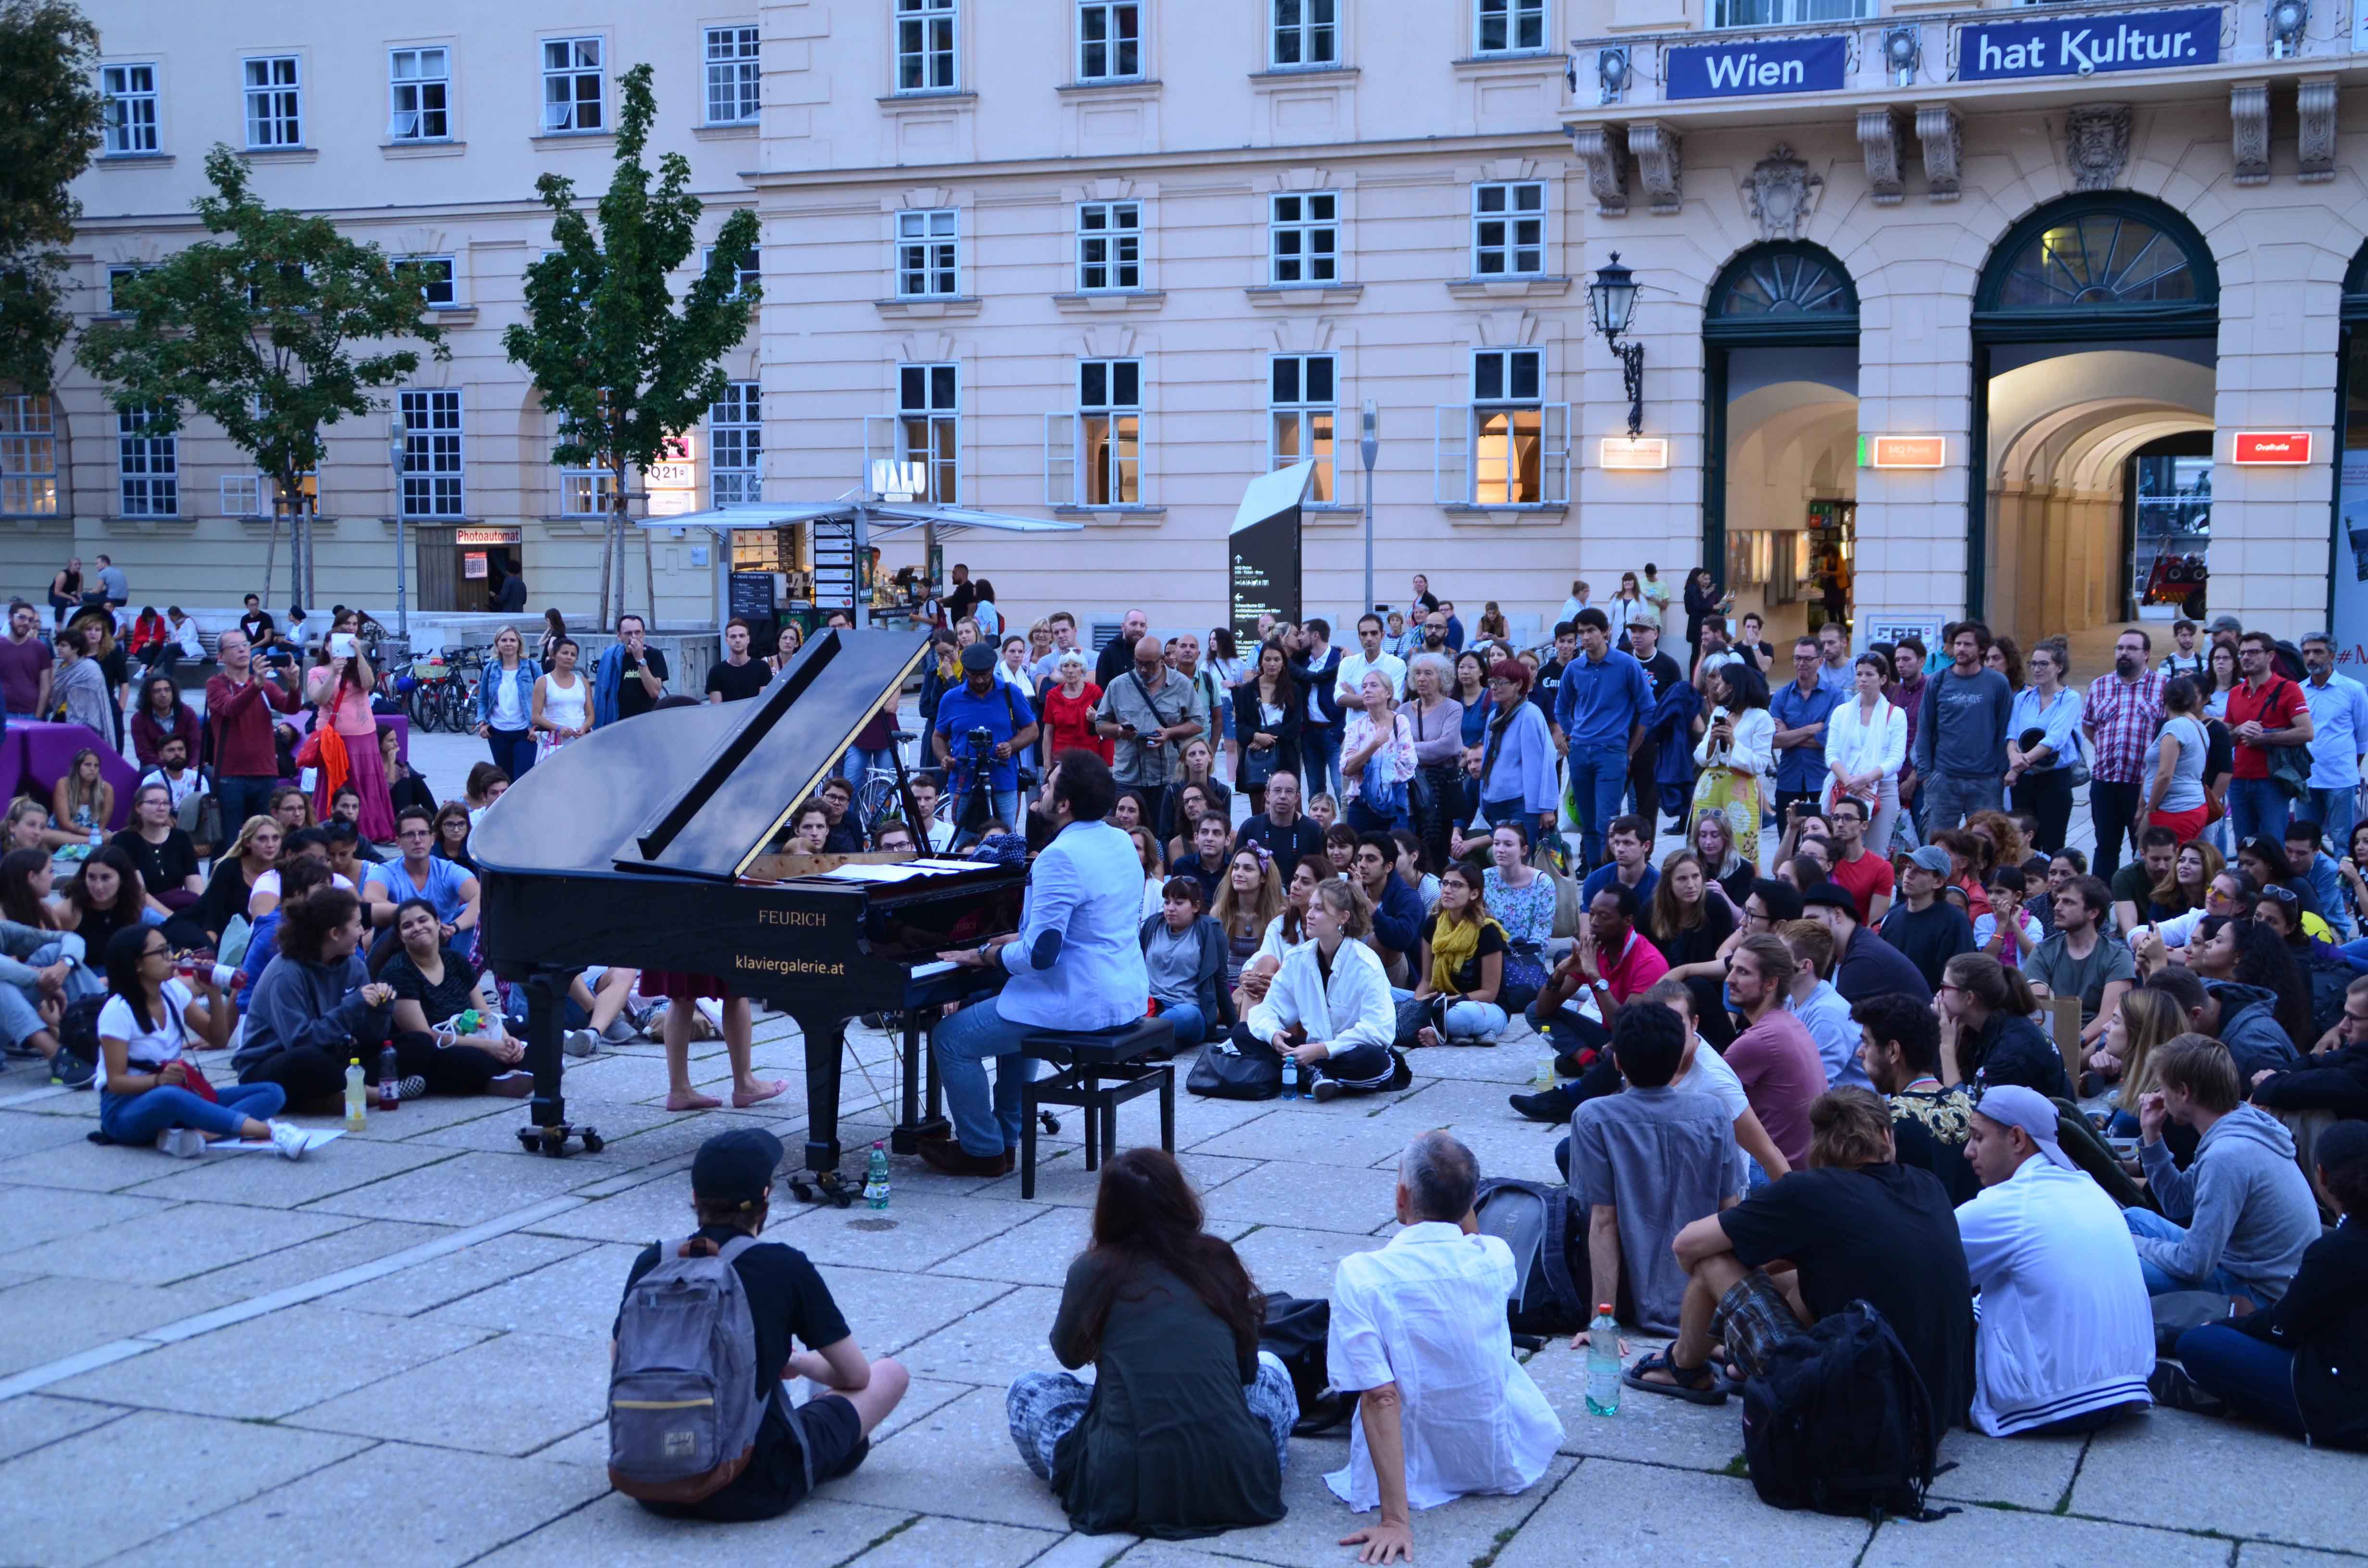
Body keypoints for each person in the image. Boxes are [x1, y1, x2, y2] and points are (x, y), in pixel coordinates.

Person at [614, 1126, 908, 1522]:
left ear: (696, 1198)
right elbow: (855, 1376)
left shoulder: (653, 1263)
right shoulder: (783, 1266)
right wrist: (797, 1361)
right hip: (758, 1484)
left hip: (649, 1483)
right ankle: (825, 1442)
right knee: (890, 1374)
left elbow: (619, 1364)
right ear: (766, 1197)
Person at [1633, 1087, 1973, 1429]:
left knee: (1713, 1261)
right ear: (1886, 1136)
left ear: (1819, 1143)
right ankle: (1734, 1355)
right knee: (1796, 1279)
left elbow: (1687, 1245)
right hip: (1932, 1410)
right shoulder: (1928, 1186)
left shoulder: (1811, 1191)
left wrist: (1729, 1279)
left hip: (1852, 1413)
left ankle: (1685, 1368)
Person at [1006, 1149, 1291, 1539]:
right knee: (1274, 1369)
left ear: (1106, 1210)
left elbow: (1068, 1356)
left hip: (1124, 1487)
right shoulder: (1218, 1259)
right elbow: (1247, 1373)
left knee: (1028, 1390)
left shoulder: (1093, 1270)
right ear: (1181, 1199)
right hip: (1241, 1481)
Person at [1324, 1131, 1560, 1563]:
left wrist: (1395, 1521)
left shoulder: (1361, 1274)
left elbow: (1380, 1396)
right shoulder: (1496, 1257)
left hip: (1413, 1467)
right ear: (1471, 1201)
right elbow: (1470, 1235)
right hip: (1494, 1458)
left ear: (1401, 1197)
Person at [925, 753, 1147, 1174]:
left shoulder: (1058, 857)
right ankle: (1007, 1138)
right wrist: (1016, 940)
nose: (1042, 791)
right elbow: (1086, 924)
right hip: (1123, 990)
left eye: (1048, 786)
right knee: (1016, 1006)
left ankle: (981, 1150)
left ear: (1064, 804)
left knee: (950, 1039)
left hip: (1078, 999)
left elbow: (1040, 957)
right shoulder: (1119, 840)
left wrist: (985, 954)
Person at [1955, 1085, 2154, 1436]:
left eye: (1977, 1137)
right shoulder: (2089, 1188)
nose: (1968, 1151)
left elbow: (1920, 1263)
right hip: (2128, 1391)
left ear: (2017, 1139)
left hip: (2051, 1405)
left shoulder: (2011, 1202)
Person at [2169, 1118, 2368, 1447]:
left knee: (2199, 1342)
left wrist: (2229, 1325)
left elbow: (2284, 1325)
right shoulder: (2338, 1245)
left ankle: (2233, 1396)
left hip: (2339, 1405)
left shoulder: (2336, 1250)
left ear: (2321, 1177)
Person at [1568, 1000, 1742, 1336]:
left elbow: (1604, 1222)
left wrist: (1601, 1325)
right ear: (1680, 1057)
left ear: (1617, 1062)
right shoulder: (1714, 1112)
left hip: (1633, 1298)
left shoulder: (1593, 1117)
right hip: (1704, 1295)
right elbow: (1730, 1210)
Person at [2123, 1033, 2320, 1307]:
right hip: (2236, 1265)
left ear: (2183, 1092)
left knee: (2120, 1268)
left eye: (2162, 1086)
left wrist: (2132, 1244)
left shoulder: (2227, 1155)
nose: (2158, 1094)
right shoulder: (2238, 1126)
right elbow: (2177, 1203)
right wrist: (2152, 1136)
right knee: (2131, 1219)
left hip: (2258, 1293)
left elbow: (2193, 1265)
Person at [94, 924, 306, 1158]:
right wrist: (159, 1080)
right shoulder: (117, 1011)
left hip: (177, 1094)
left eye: (169, 949)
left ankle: (201, 1133)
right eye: (162, 952)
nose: (171, 958)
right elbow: (115, 1082)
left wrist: (214, 993)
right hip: (126, 1110)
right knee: (170, 1096)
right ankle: (273, 1133)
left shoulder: (172, 991)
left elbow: (218, 1039)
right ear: (138, 964)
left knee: (272, 1092)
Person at [1235, 877, 1397, 1102]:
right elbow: (1269, 1009)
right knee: (1243, 1033)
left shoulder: (1366, 964)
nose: (1309, 914)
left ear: (1343, 917)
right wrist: (1273, 1036)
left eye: (1319, 909)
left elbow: (1379, 1031)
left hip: (1349, 1053)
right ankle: (1315, 1075)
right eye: (1310, 907)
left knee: (1375, 1062)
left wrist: (1323, 1050)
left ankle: (1309, 1074)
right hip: (1308, 1052)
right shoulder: (1297, 958)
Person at [231, 887, 397, 1102]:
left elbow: (368, 1038)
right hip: (274, 1064)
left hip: (335, 1055)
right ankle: (369, 1093)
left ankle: (342, 1094)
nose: (362, 932)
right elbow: (300, 1042)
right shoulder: (286, 973)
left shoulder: (355, 966)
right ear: (335, 933)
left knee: (412, 1045)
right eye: (357, 925)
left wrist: (381, 1009)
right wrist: (352, 1007)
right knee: (313, 1062)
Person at [1852, 991, 1979, 1203]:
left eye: (1867, 1043)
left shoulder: (1883, 1122)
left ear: (1893, 1051)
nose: (1860, 1053)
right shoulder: (1974, 1108)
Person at [1554, 609, 1653, 870]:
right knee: (1586, 820)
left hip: (1612, 751)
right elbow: (1561, 708)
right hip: (1580, 752)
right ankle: (1594, 871)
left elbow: (1648, 708)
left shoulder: (1627, 664)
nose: (1585, 638)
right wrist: (1573, 733)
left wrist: (1630, 749)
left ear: (1606, 631)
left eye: (1591, 631)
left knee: (1607, 821)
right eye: (1581, 633)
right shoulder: (1575, 668)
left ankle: (1610, 872)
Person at [201, 629, 300, 856]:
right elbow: (231, 709)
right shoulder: (216, 684)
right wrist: (255, 684)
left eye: (245, 644)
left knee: (264, 840)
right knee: (228, 843)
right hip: (230, 776)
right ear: (220, 657)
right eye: (233, 647)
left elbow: (291, 708)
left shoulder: (265, 685)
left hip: (265, 772)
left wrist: (294, 685)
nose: (242, 650)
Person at [2018, 872, 2137, 1053]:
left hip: (2093, 1040)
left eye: (2068, 902)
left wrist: (2074, 1043)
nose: (2057, 908)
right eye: (2059, 901)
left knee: (2109, 1047)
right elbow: (2040, 1009)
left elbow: (2108, 1016)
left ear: (2093, 912)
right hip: (2049, 1037)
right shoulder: (2044, 950)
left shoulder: (2118, 955)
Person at [1094, 635, 1201, 831]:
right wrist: (1119, 730)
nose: (1143, 670)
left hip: (1168, 777)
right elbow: (1100, 723)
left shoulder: (1181, 685)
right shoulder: (1118, 685)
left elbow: (1198, 723)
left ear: (1162, 660)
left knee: (1166, 832)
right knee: (1125, 834)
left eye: (1150, 665)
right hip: (1128, 777)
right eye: (1139, 663)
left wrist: (1170, 733)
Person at [1914, 621, 2013, 832]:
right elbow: (1924, 729)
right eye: (1957, 644)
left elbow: (2005, 729)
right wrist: (1926, 775)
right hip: (1943, 779)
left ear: (1982, 649)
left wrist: (2000, 775)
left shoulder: (1998, 683)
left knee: (1988, 848)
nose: (1961, 649)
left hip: (1986, 781)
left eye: (1968, 644)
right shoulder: (1938, 681)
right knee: (1937, 847)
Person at [2218, 629, 2314, 847]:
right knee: (2244, 845)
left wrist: (2264, 738)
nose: (2246, 658)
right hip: (2239, 780)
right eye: (2242, 653)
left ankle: (2274, 883)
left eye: (2253, 652)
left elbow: (2306, 732)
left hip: (2272, 781)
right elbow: (2228, 738)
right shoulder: (2236, 693)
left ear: (2270, 656)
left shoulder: (2289, 689)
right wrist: (2239, 730)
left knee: (2273, 845)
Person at [934, 643, 1040, 839]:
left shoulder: (1011, 693)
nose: (980, 680)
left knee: (1005, 839)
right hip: (964, 782)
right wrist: (944, 758)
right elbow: (939, 736)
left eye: (984, 674)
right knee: (964, 842)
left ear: (993, 669)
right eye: (974, 675)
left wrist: (1011, 745)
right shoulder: (951, 698)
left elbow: (1033, 730)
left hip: (1003, 780)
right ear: (965, 670)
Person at [1936, 951, 2074, 1099]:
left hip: (2049, 1122)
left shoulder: (2012, 1049)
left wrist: (1946, 1047)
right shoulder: (1980, 1027)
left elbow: (1964, 1111)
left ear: (1969, 998)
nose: (1939, 995)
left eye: (1945, 987)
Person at [1404, 861, 1509, 1047]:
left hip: (1482, 1008)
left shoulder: (1488, 931)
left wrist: (1447, 1002)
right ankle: (1460, 1034)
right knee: (1386, 995)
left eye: (1456, 885)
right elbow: (1427, 982)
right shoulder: (1432, 925)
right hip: (1441, 1002)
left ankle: (1444, 1031)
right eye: (1444, 883)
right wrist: (1416, 1006)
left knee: (1460, 1016)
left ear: (1474, 894)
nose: (1447, 890)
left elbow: (1489, 993)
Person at [304, 631, 391, 840]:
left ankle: (371, 830)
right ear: (326, 647)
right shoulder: (317, 672)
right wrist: (334, 673)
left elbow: (369, 684)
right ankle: (333, 826)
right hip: (336, 739)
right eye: (333, 644)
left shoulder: (356, 670)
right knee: (336, 783)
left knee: (367, 781)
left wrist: (359, 654)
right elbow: (319, 699)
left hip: (365, 736)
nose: (339, 647)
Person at [1468, 659, 1558, 849]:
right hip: (1496, 801)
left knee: (1520, 861)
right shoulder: (1495, 717)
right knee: (1501, 862)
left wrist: (1547, 808)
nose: (1494, 687)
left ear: (1518, 684)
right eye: (1492, 682)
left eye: (1500, 682)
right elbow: (1489, 757)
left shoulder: (1530, 715)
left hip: (1521, 804)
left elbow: (1544, 763)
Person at [2004, 638, 2081, 854]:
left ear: (2059, 667)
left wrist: (2017, 766)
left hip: (2054, 779)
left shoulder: (2070, 699)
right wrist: (2013, 757)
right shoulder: (2023, 698)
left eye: (2043, 664)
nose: (2037, 669)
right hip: (2024, 780)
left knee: (2053, 842)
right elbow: (2012, 734)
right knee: (2024, 842)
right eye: (2034, 664)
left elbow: (2054, 739)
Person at [109, 782, 206, 949]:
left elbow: (196, 887)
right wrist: (174, 919)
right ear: (138, 808)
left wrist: (200, 913)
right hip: (144, 910)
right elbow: (139, 893)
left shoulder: (180, 838)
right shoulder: (124, 840)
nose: (161, 808)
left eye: (166, 803)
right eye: (154, 803)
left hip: (180, 908)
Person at [1780, 919, 1866, 1090]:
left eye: (1780, 955)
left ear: (1804, 966)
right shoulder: (1790, 1000)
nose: (1770, 961)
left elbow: (1815, 1089)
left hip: (1855, 1113)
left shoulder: (1827, 1017)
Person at [1880, 845, 1977, 992]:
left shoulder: (1955, 922)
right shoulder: (1893, 916)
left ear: (1938, 882)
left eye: (1920, 871)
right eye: (1909, 867)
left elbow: (1959, 979)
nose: (1909, 874)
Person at [1769, 637, 1839, 826]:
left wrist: (1789, 735)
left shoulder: (1836, 696)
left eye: (1808, 659)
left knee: (1826, 840)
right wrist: (1811, 729)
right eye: (1797, 658)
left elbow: (1829, 739)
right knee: (1787, 840)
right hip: (1789, 778)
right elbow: (1774, 741)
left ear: (1821, 661)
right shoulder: (1780, 697)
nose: (1801, 663)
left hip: (1822, 778)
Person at [1340, 671, 1415, 836]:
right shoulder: (1355, 727)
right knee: (1361, 855)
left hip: (1395, 801)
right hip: (1361, 802)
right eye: (1364, 686)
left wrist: (1366, 766)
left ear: (1388, 693)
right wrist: (1374, 745)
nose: (1367, 690)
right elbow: (1347, 768)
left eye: (1374, 685)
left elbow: (1408, 763)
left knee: (1396, 854)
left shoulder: (1400, 721)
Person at [474, 624, 541, 781]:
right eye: (504, 640)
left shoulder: (532, 667)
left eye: (513, 640)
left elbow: (543, 699)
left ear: (519, 644)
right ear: (497, 644)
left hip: (526, 733)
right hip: (497, 733)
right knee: (504, 781)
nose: (508, 644)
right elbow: (482, 700)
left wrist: (537, 727)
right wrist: (482, 723)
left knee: (523, 781)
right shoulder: (490, 669)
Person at [594, 613, 668, 727]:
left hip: (646, 722)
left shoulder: (654, 655)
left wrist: (640, 658)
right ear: (619, 636)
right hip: (616, 723)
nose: (633, 637)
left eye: (637, 632)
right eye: (628, 633)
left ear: (643, 634)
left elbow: (654, 692)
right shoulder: (612, 656)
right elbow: (602, 693)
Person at [49, 627, 114, 747]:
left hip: (84, 723)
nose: (59, 648)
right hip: (60, 718)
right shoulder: (62, 667)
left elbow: (96, 698)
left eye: (63, 645)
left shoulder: (91, 669)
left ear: (76, 648)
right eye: (58, 645)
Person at [0, 600, 53, 722]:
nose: (26, 623)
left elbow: (45, 686)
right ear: (10, 617)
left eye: (30, 620)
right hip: (3, 714)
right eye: (22, 618)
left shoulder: (40, 648)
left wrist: (38, 717)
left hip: (31, 714)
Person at [52, 746, 112, 837]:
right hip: (66, 833)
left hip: (94, 834)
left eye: (96, 766)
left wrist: (96, 834)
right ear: (77, 767)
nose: (93, 769)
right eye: (88, 765)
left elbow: (102, 827)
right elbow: (65, 823)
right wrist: (93, 834)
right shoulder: (64, 784)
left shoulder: (107, 789)